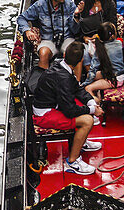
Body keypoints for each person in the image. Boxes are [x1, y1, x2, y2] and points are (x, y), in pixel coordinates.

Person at [33, 41, 102, 176]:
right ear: (81, 60)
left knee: (91, 102)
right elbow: (69, 111)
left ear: (64, 55)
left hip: (53, 105)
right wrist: (93, 111)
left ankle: (82, 142)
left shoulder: (61, 66)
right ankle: (73, 161)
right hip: (44, 115)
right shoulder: (64, 78)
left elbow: (77, 89)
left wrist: (91, 103)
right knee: (88, 120)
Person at [17, 0, 79, 70]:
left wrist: (76, 17)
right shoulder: (40, 5)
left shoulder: (69, 4)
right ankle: (44, 81)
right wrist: (27, 30)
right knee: (43, 53)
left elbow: (75, 31)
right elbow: (21, 18)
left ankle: (76, 82)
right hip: (48, 40)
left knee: (75, 52)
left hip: (66, 39)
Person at [84, 22, 124, 99]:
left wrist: (85, 84)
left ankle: (97, 103)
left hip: (115, 79)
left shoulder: (100, 49)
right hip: (116, 74)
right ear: (112, 36)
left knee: (87, 88)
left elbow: (93, 70)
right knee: (93, 75)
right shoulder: (119, 43)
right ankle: (98, 91)